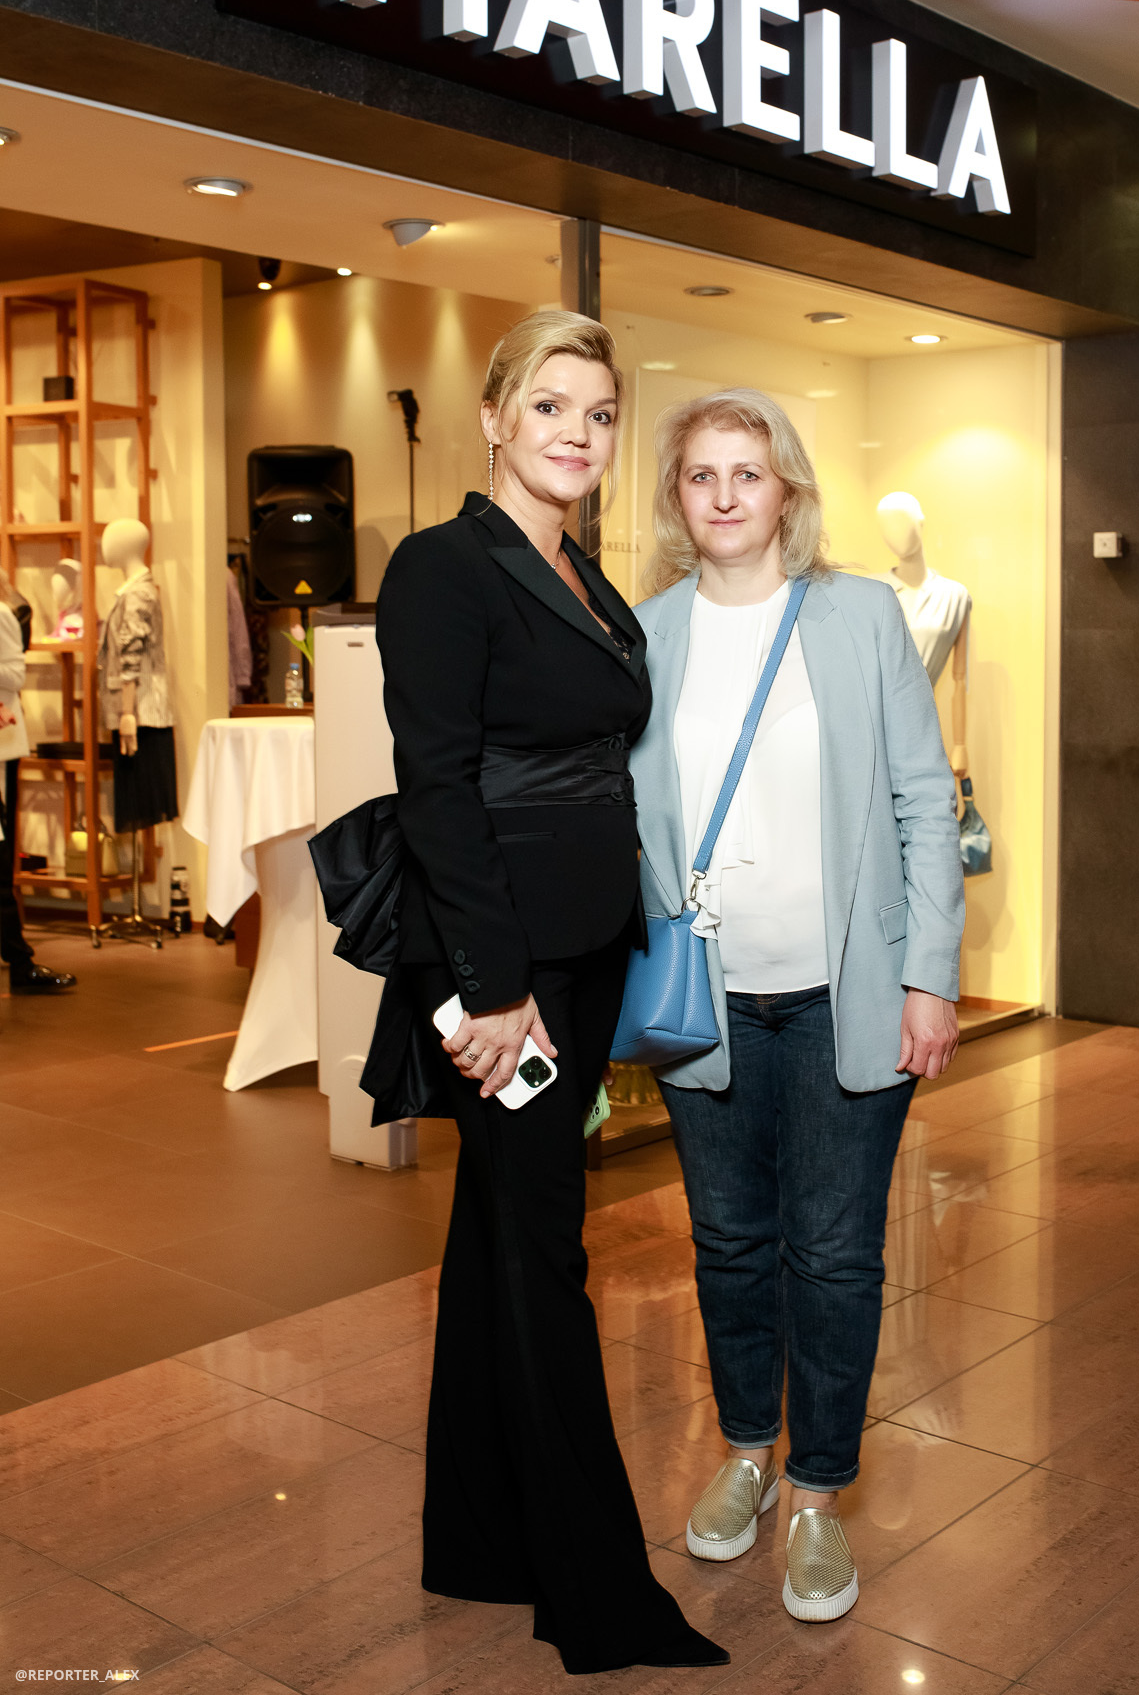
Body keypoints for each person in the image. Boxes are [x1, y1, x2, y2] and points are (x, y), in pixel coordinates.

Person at [375, 310, 727, 1676]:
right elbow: (436, 787)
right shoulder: (441, 566)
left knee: (498, 1239)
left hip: (580, 953)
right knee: (541, 1254)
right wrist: (494, 988)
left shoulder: (581, 575)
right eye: (549, 406)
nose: (577, 433)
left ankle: (478, 1541)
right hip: (502, 967)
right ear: (493, 417)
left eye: (598, 413)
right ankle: (596, 1594)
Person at [628, 389, 964, 1624]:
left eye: (747, 472)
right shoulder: (644, 636)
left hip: (843, 994)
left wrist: (928, 974)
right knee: (726, 1243)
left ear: (786, 492)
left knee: (830, 1253)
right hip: (704, 1000)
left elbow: (922, 800)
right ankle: (743, 1453)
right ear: (675, 498)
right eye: (700, 474)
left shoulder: (858, 615)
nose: (723, 495)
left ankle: (817, 1492)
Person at [0, 572, 75, 993]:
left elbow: (14, 675)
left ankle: (19, 960)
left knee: (0, 859)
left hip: (1, 747)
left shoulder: (1, 615)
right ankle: (18, 959)